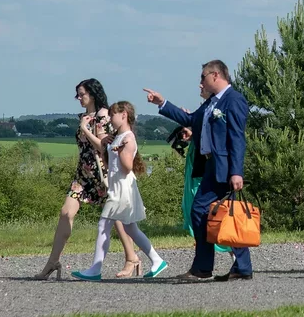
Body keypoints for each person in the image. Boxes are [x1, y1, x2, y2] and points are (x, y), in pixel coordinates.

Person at [144, 59, 253, 281]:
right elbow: (191, 119)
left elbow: (237, 138)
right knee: (219, 213)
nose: (200, 83)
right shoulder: (212, 102)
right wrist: (163, 103)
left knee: (205, 210)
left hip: (223, 167)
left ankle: (205, 268)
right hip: (211, 165)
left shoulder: (234, 100)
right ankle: (239, 267)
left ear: (215, 75)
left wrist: (236, 171)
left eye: (202, 77)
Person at [33, 79, 140, 281]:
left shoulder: (103, 116)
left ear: (92, 93)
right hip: (83, 175)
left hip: (103, 174)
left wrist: (85, 129)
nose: (79, 98)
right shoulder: (86, 117)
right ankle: (53, 262)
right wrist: (84, 125)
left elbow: (103, 147)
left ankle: (132, 258)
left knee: (116, 217)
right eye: (78, 95)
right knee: (66, 212)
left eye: (82, 94)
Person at [72, 101, 167, 280]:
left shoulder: (128, 138)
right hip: (116, 186)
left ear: (123, 115)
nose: (110, 119)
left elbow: (127, 166)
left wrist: (120, 148)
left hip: (124, 188)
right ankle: (157, 259)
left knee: (103, 225)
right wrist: (107, 146)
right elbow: (109, 165)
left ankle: (95, 269)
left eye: (112, 115)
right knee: (131, 228)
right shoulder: (117, 137)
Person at [176, 83, 231, 254]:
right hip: (196, 160)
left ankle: (230, 248)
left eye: (203, 81)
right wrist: (191, 135)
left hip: (209, 164)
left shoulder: (220, 106)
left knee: (208, 209)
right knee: (193, 206)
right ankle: (202, 254)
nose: (200, 85)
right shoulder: (205, 108)